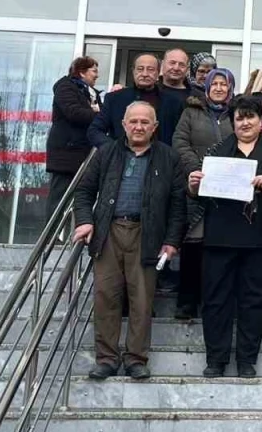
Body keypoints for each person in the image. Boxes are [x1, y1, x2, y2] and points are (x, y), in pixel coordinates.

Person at [188, 95, 262, 378]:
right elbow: (196, 196)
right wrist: (193, 186)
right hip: (219, 238)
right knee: (215, 300)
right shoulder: (216, 151)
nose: (245, 122)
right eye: (239, 118)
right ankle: (216, 359)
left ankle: (247, 360)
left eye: (251, 117)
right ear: (232, 122)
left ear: (261, 121)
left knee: (255, 301)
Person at [73, 101, 186, 380]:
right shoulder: (106, 153)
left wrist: (172, 241)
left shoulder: (169, 158)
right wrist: (85, 221)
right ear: (123, 125)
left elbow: (178, 205)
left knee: (142, 300)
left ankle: (136, 359)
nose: (138, 126)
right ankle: (106, 359)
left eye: (145, 122)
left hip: (147, 235)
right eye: (133, 121)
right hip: (108, 232)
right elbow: (84, 191)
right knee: (105, 297)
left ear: (154, 127)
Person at [171, 67, 236, 320]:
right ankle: (187, 302)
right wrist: (197, 169)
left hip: (227, 190)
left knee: (221, 248)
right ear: (207, 87)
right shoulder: (191, 112)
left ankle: (215, 302)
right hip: (196, 186)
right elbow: (180, 142)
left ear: (230, 88)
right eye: (214, 84)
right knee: (193, 244)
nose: (219, 88)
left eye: (224, 84)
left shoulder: (237, 113)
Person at [46, 56, 102, 220]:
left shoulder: (91, 93)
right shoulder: (65, 87)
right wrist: (98, 113)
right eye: (94, 71)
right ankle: (52, 233)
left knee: (82, 198)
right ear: (82, 72)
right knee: (59, 198)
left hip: (84, 154)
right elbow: (74, 113)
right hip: (67, 154)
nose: (97, 75)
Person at [89, 53, 184, 147]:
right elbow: (95, 130)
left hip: (161, 156)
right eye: (140, 69)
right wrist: (113, 149)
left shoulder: (173, 103)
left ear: (158, 73)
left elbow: (180, 138)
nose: (145, 74)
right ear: (133, 71)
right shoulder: (115, 98)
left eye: (150, 69)